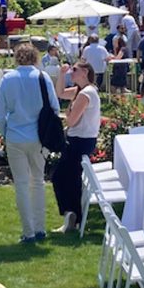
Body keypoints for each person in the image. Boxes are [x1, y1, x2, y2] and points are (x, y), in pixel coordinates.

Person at [0, 42, 60, 244]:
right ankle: (40, 229)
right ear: (35, 58)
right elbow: (55, 108)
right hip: (39, 137)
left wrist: (6, 133)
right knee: (38, 183)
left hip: (16, 135)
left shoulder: (8, 79)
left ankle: (29, 231)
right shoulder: (43, 78)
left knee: (22, 185)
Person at [51, 61, 101, 233]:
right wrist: (61, 74)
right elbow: (60, 92)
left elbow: (71, 121)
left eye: (74, 70)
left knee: (62, 178)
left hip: (79, 141)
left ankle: (72, 215)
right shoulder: (82, 91)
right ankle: (72, 216)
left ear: (85, 72)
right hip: (81, 140)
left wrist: (65, 116)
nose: (71, 72)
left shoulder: (85, 94)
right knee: (69, 179)